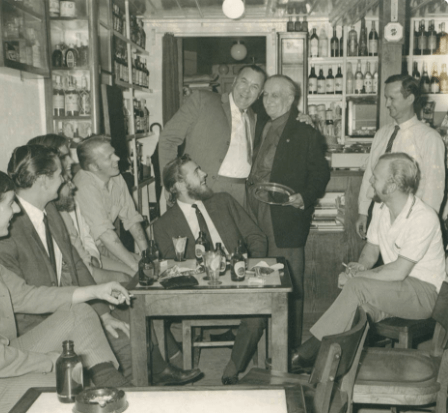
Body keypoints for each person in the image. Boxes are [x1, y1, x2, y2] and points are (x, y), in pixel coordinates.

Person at [0, 166, 133, 413]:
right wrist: (50, 361)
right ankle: (103, 407)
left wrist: (94, 291)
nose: (16, 211)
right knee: (62, 383)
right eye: (10, 204)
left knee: (80, 313)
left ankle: (110, 391)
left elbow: (24, 295)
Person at [0, 144, 202, 386]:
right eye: (60, 174)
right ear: (42, 181)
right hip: (36, 323)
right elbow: (24, 304)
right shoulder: (6, 229)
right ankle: (130, 393)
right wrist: (94, 318)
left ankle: (149, 378)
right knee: (118, 335)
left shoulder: (49, 210)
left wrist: (102, 312)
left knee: (128, 306)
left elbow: (77, 264)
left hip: (67, 306)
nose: (64, 180)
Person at [292, 153, 445, 373]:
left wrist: (358, 278)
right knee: (358, 309)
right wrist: (361, 266)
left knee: (356, 287)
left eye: (376, 176)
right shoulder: (382, 208)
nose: (371, 180)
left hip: (426, 293)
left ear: (392, 185)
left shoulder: (423, 217)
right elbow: (372, 249)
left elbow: (400, 271)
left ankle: (309, 353)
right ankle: (335, 370)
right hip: (400, 287)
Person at [154, 154, 268, 385]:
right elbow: (169, 268)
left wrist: (249, 265)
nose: (204, 173)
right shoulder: (163, 224)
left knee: (257, 314)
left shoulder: (223, 202)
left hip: (238, 281)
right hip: (197, 295)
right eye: (196, 172)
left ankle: (233, 366)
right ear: (178, 185)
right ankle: (178, 360)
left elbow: (256, 236)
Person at [245, 75, 330, 349]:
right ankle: (262, 338)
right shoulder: (261, 124)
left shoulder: (305, 131)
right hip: (255, 209)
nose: (268, 101)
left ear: (291, 100)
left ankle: (289, 348)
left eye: (275, 96)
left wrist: (304, 197)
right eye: (266, 95)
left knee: (289, 282)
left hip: (284, 214)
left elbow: (320, 173)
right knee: (260, 274)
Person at [27, 133, 130, 283]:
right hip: (79, 271)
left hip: (90, 258)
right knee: (128, 278)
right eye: (64, 156)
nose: (71, 161)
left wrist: (93, 256)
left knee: (134, 274)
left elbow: (84, 233)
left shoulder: (68, 189)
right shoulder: (54, 199)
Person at [158, 65, 267, 204]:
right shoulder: (202, 100)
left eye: (254, 87)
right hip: (203, 189)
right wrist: (169, 184)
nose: (247, 90)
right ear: (234, 81)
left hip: (241, 195)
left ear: (260, 93)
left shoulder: (255, 118)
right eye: (244, 81)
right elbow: (169, 139)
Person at [355, 74, 445, 239]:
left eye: (392, 98)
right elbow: (369, 174)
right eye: (385, 98)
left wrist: (424, 228)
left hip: (410, 220)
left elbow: (434, 189)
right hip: (378, 218)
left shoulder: (429, 138)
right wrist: (363, 211)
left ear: (410, 99)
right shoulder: (381, 134)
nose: (387, 104)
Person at [73, 135, 148, 275]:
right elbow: (105, 234)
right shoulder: (84, 186)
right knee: (135, 275)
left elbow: (131, 218)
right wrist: (134, 265)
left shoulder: (115, 176)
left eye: (114, 153)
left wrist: (146, 255)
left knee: (151, 269)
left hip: (105, 247)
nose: (117, 158)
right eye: (109, 157)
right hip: (86, 253)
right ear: (94, 167)